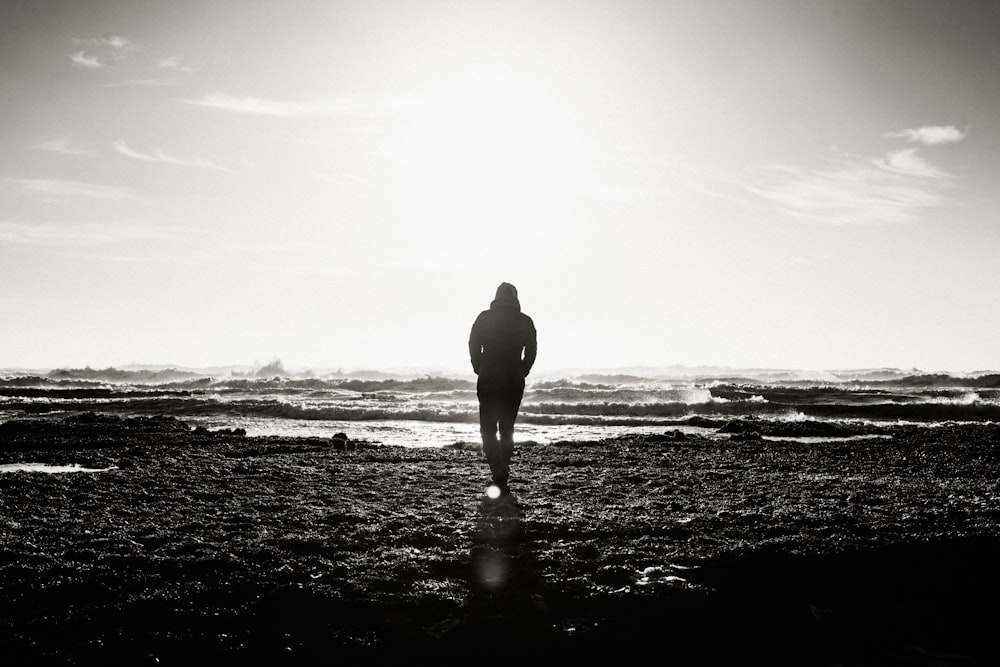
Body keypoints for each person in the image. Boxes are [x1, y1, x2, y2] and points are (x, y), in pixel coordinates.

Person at [468, 282, 537, 495]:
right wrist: (522, 370)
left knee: (488, 428)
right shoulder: (524, 320)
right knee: (507, 428)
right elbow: (532, 350)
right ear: (515, 297)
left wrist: (478, 366)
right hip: (513, 378)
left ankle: (499, 469)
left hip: (489, 376)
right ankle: (502, 467)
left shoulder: (484, 317)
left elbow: (473, 343)